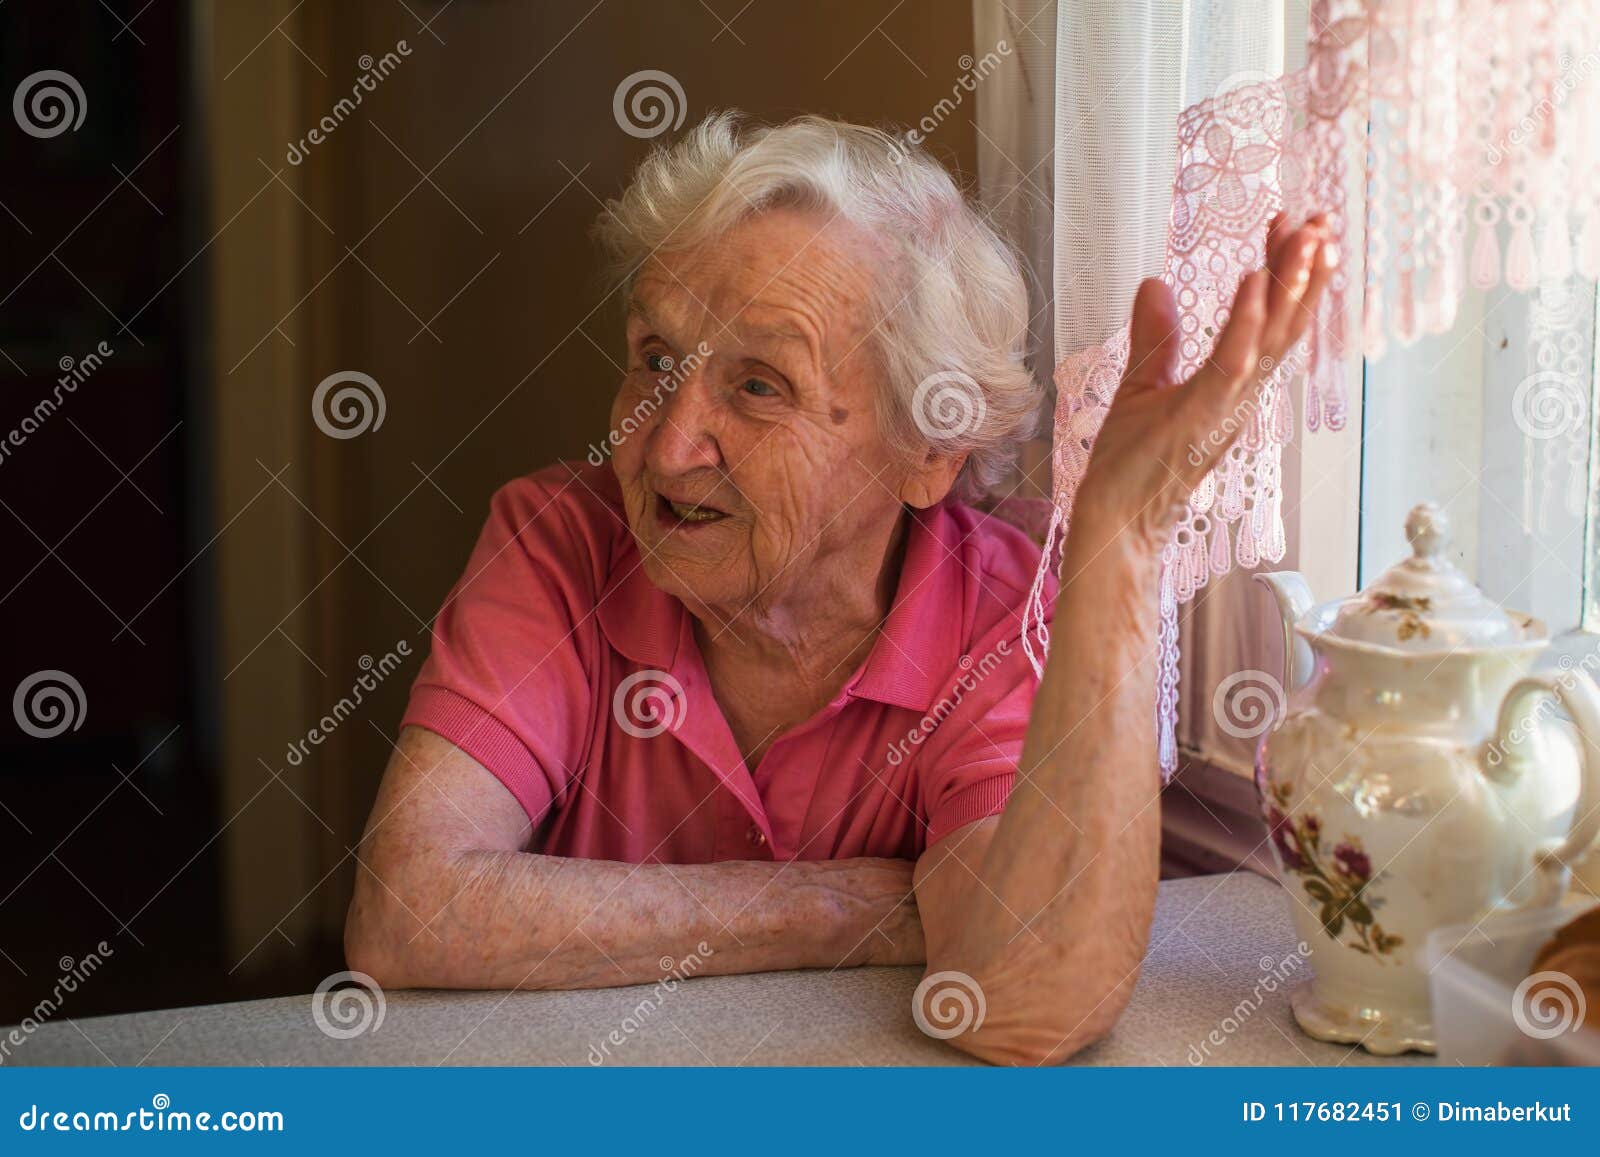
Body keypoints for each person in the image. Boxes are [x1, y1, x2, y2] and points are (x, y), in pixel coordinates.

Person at [345, 112, 1335, 1065]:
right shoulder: (564, 540)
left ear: (926, 452)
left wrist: (1122, 537)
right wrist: (849, 903)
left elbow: (1024, 1003)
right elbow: (409, 911)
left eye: (758, 386)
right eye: (654, 359)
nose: (667, 443)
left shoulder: (998, 620)